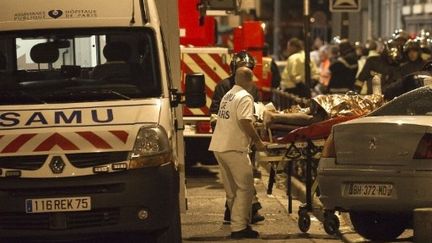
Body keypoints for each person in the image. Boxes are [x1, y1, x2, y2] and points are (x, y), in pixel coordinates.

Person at [209, 67, 267, 239]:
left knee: (233, 190)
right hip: (234, 148)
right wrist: (257, 140)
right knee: (245, 187)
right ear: (250, 80)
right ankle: (239, 227)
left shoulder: (228, 95)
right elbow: (244, 121)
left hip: (219, 146)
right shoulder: (245, 96)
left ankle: (238, 225)